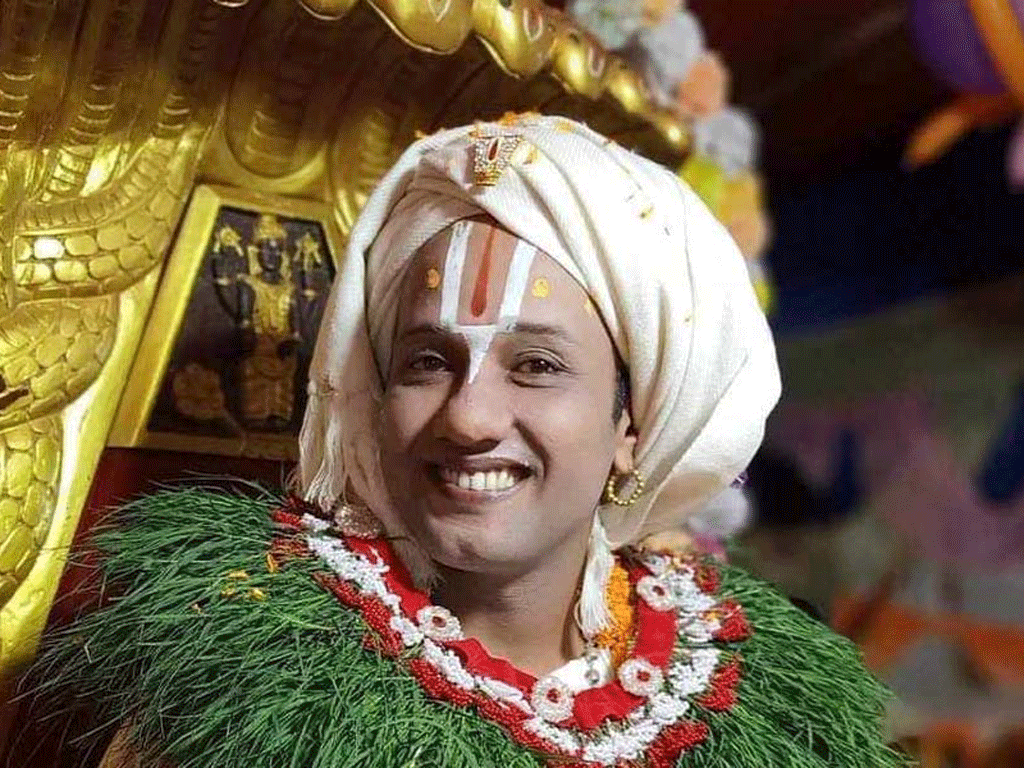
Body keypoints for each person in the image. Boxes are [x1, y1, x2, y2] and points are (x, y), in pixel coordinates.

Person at [23, 114, 902, 768]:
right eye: (427, 361)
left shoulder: (756, 692)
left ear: (632, 426)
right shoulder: (240, 677)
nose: (468, 417)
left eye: (536, 365)